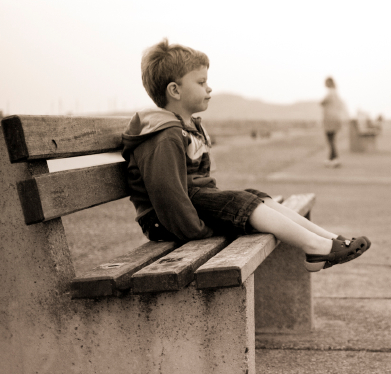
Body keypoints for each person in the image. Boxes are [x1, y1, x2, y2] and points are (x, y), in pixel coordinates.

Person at [121, 39, 369, 272]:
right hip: (168, 222)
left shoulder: (185, 127)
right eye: (200, 82)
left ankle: (329, 239)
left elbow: (196, 187)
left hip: (190, 207)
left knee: (254, 197)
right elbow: (168, 196)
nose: (209, 88)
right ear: (175, 90)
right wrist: (200, 232)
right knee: (242, 203)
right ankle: (316, 248)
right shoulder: (163, 135)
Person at [320, 76, 347, 167]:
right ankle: (331, 158)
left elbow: (322, 102)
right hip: (335, 118)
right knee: (332, 139)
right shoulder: (335, 93)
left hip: (330, 119)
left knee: (330, 140)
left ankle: (335, 158)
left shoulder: (330, 93)